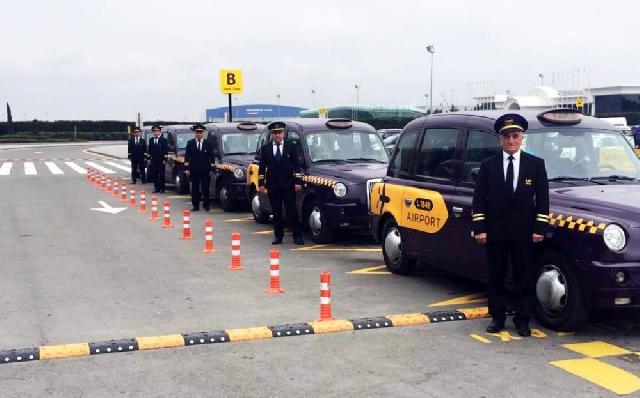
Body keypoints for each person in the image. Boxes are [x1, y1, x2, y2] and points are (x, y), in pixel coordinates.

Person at [472, 113, 549, 337]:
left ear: (522, 138)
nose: (511, 141)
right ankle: (497, 318)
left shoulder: (535, 165)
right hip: (495, 232)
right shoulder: (488, 165)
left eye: (515, 136)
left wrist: (539, 228)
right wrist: (480, 228)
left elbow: (543, 200)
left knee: (523, 277)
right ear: (500, 139)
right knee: (496, 276)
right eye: (506, 137)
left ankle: (522, 319)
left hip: (523, 233)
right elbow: (479, 200)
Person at [258, 122, 305, 245]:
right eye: (275, 133)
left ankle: (297, 236)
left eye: (279, 133)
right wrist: (261, 184)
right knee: (276, 212)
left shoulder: (291, 146)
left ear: (283, 134)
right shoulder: (266, 149)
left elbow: (297, 166)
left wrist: (298, 182)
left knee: (292, 211)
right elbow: (262, 168)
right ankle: (278, 236)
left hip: (288, 185)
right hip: (273, 186)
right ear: (272, 134)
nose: (277, 135)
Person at [184, 124, 213, 211]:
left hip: (205, 170)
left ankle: (206, 205)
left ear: (203, 133)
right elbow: (187, 157)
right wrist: (187, 169)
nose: (199, 134)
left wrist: (211, 169)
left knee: (205, 188)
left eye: (201, 132)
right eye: (197, 132)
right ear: (195, 133)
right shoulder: (190, 143)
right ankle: (195, 206)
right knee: (194, 189)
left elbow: (211, 157)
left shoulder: (208, 144)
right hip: (194, 170)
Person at [147, 125, 168, 193]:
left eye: (157, 131)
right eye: (154, 131)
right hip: (153, 160)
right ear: (153, 132)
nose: (156, 133)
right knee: (155, 174)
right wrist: (149, 159)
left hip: (161, 160)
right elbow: (149, 150)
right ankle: (156, 188)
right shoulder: (151, 140)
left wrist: (165, 159)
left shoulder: (163, 140)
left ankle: (162, 188)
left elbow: (165, 150)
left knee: (161, 175)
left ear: (160, 132)